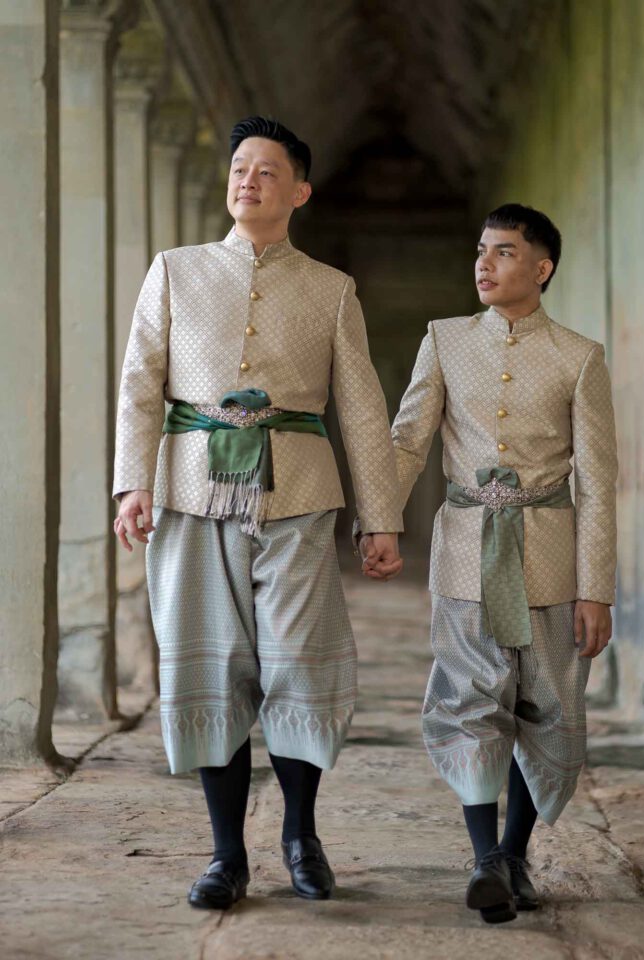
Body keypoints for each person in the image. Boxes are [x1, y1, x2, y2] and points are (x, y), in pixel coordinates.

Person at [113, 116, 404, 910]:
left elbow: (363, 409)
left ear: (299, 191)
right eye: (240, 167)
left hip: (299, 495)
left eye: (267, 170)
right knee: (211, 664)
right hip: (191, 488)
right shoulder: (173, 271)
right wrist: (131, 482)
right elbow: (141, 381)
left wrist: (381, 517)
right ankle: (224, 854)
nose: (248, 179)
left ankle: (301, 834)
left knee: (297, 665)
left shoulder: (331, 288)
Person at [368, 203, 617, 923]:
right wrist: (379, 518)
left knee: (543, 707)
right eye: (481, 250)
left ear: (540, 269)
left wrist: (595, 588)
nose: (484, 264)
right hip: (466, 547)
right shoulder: (443, 340)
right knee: (470, 701)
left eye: (504, 252)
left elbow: (597, 479)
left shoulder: (579, 357)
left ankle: (514, 853)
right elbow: (408, 438)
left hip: (548, 555)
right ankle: (484, 860)